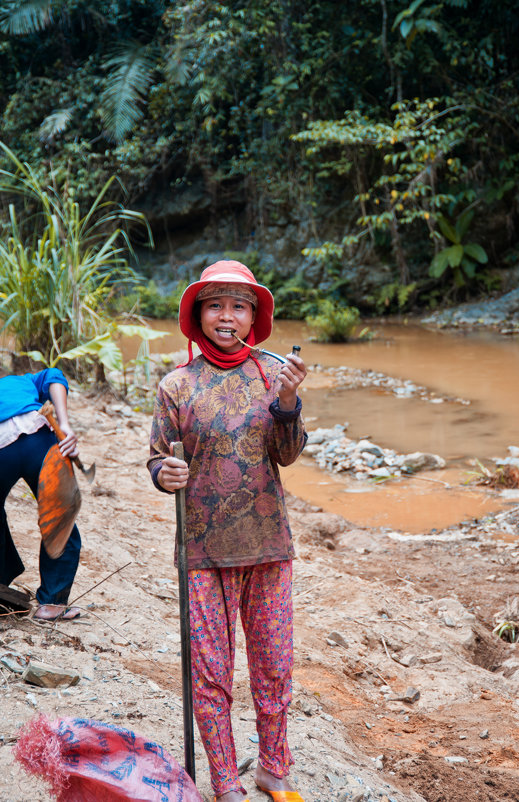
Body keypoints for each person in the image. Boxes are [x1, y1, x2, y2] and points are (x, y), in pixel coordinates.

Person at [147, 260, 307, 802]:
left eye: (239, 306)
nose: (227, 316)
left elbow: (286, 455)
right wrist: (164, 474)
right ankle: (224, 783)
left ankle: (273, 770)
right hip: (203, 553)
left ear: (254, 317)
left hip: (268, 547)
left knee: (273, 665)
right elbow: (158, 459)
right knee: (212, 672)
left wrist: (288, 404)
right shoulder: (177, 385)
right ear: (197, 315)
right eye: (215, 304)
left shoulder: (271, 376)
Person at [0, 366, 82, 620]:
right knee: (60, 518)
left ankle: (2, 581)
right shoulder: (20, 380)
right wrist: (65, 424)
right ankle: (52, 604)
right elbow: (55, 375)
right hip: (37, 437)